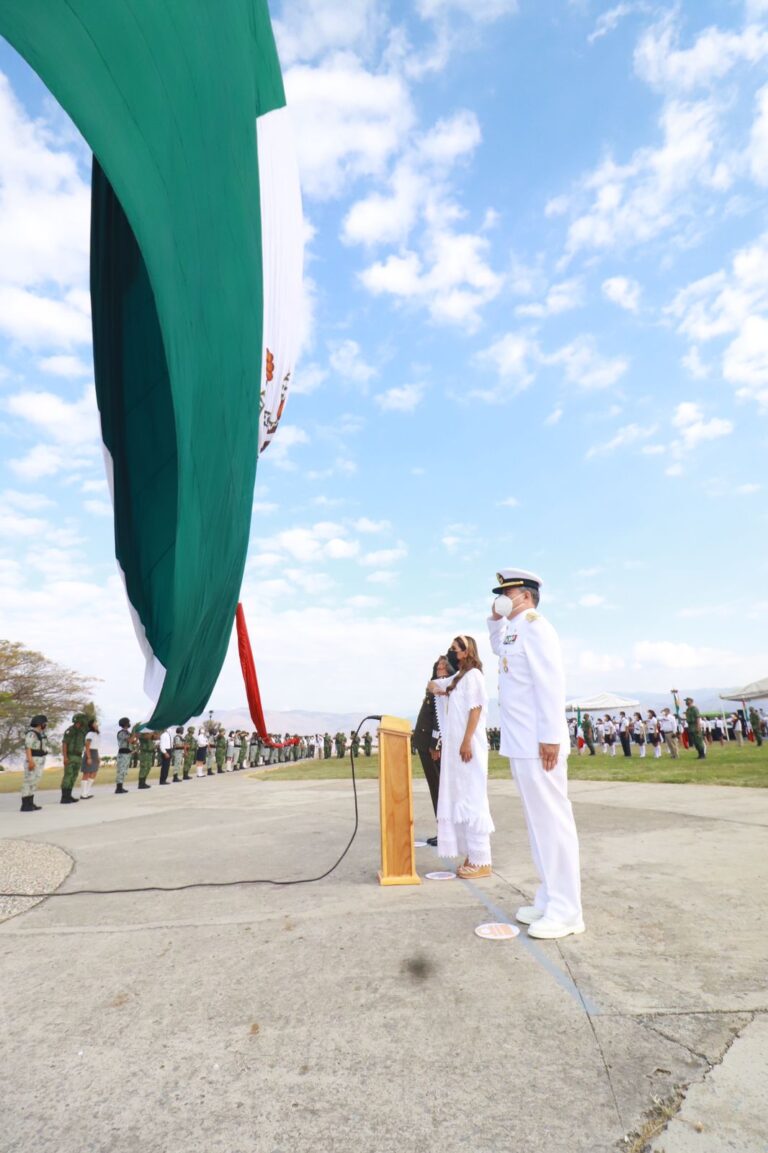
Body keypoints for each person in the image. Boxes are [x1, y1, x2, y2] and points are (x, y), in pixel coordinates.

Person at [488, 568, 583, 939]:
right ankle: (549, 897)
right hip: (520, 742)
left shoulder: (536, 626)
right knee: (536, 824)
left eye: (506, 592)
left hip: (538, 742)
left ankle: (567, 911)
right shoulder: (515, 628)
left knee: (553, 823)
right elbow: (498, 648)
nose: (501, 596)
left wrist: (550, 736)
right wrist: (495, 617)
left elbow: (550, 683)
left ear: (525, 595)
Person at [428, 636, 493, 879]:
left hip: (469, 746)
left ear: (467, 652)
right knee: (461, 796)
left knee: (472, 797)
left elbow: (475, 710)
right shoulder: (460, 678)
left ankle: (482, 860)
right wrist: (441, 686)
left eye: (455, 650)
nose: (452, 653)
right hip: (457, 748)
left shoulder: (474, 676)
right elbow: (433, 684)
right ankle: (472, 855)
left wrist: (467, 740)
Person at [413, 655, 451, 845]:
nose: (440, 670)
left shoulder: (443, 688)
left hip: (432, 747)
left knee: (439, 789)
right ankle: (442, 830)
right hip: (424, 744)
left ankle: (445, 832)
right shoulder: (434, 686)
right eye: (438, 667)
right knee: (435, 788)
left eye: (444, 667)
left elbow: (439, 718)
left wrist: (435, 745)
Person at [21, 714, 48, 812]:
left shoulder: (41, 733)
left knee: (34, 782)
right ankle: (25, 805)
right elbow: (28, 747)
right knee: (28, 781)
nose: (45, 725)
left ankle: (30, 803)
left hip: (40, 759)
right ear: (40, 724)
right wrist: (30, 761)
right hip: (33, 759)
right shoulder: (31, 734)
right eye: (44, 723)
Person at [60, 712, 88, 804]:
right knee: (68, 776)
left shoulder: (82, 731)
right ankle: (64, 797)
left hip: (78, 756)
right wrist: (65, 757)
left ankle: (69, 795)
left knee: (74, 776)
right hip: (70, 756)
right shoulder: (70, 730)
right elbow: (64, 743)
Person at [115, 717, 132, 793]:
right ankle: (118, 788)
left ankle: (121, 786)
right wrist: (135, 734)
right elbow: (130, 740)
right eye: (128, 722)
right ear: (125, 723)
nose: (129, 724)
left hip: (127, 753)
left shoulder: (127, 733)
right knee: (121, 770)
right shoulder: (121, 733)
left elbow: (132, 742)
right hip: (123, 753)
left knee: (124, 771)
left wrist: (136, 736)